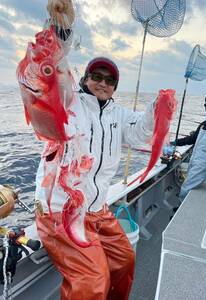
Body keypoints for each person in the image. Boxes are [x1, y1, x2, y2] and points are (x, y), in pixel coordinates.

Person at [35, 1, 157, 299]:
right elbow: (51, 67)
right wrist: (61, 29)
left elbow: (142, 132)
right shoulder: (68, 102)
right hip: (60, 210)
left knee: (124, 259)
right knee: (92, 280)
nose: (103, 83)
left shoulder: (117, 114)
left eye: (110, 80)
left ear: (115, 86)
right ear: (86, 79)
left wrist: (158, 109)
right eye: (97, 77)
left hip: (97, 210)